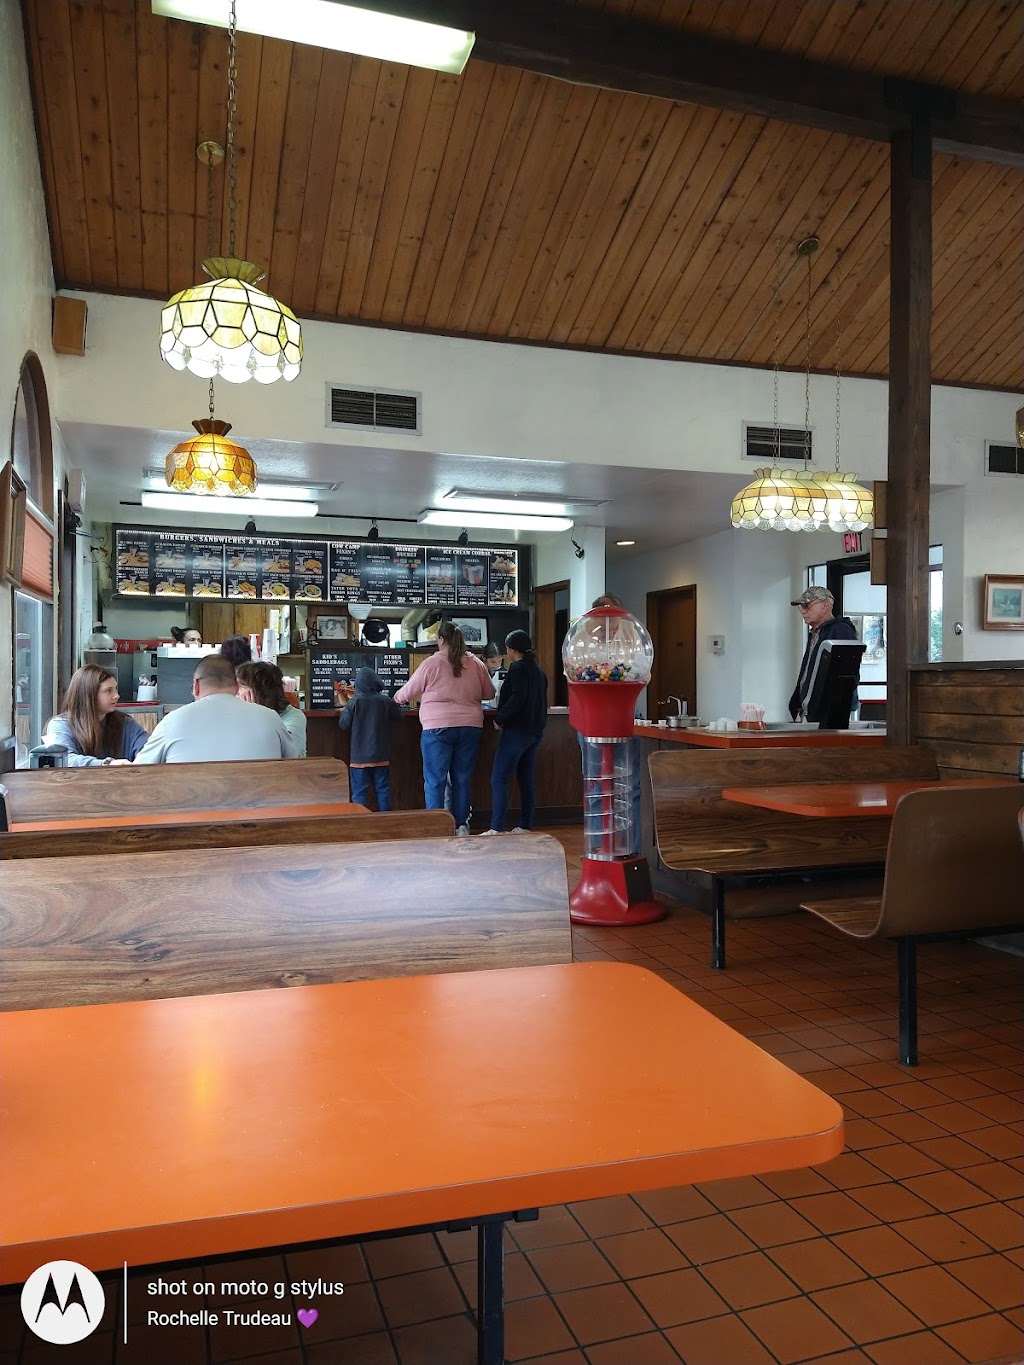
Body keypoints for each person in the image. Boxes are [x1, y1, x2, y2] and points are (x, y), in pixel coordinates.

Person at [394, 621, 494, 836]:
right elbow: (489, 693)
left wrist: (394, 698)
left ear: (441, 639)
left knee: (435, 780)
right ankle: (461, 826)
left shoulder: (431, 663)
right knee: (462, 779)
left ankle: (436, 829)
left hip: (437, 728)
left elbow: (406, 694)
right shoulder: (476, 663)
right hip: (470, 727)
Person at [134, 654, 297, 763]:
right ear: (237, 686)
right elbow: (294, 763)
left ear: (196, 685)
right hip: (261, 805)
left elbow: (140, 770)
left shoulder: (171, 721)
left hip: (192, 805)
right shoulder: (271, 718)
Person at [481, 630, 547, 835]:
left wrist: (500, 718)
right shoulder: (539, 671)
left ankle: (496, 828)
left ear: (511, 650)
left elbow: (518, 698)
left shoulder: (518, 668)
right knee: (525, 780)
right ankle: (525, 826)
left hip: (517, 731)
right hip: (535, 732)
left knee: (499, 778)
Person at [42, 664, 148, 766]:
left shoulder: (125, 723)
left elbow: (147, 751)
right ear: (88, 695)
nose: (116, 696)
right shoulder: (60, 725)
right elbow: (64, 759)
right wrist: (107, 764)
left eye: (116, 689)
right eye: (108, 691)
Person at [337, 667, 403, 810]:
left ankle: (359, 820)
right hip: (381, 755)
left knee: (359, 792)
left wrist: (344, 711)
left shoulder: (354, 702)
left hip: (359, 757)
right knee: (383, 790)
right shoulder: (385, 701)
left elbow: (343, 725)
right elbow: (399, 717)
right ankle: (385, 820)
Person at [789, 586, 858, 722]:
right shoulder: (816, 632)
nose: (803, 611)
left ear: (825, 606)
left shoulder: (840, 630)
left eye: (807, 605)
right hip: (810, 711)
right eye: (801, 607)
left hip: (829, 714)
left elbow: (847, 676)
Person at [236, 660, 307, 757]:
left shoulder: (294, 716)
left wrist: (255, 714)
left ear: (259, 691)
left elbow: (281, 754)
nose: (236, 693)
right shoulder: (237, 715)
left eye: (240, 687)